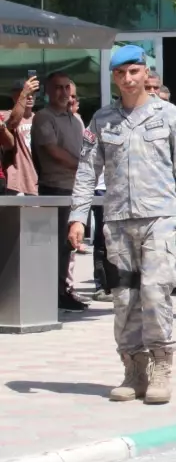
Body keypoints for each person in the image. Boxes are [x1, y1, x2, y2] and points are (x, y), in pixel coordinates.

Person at [68, 45, 176, 404]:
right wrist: (78, 216)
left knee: (156, 292)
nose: (127, 79)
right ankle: (133, 368)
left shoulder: (168, 115)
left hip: (158, 217)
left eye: (133, 71)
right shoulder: (102, 120)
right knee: (124, 298)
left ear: (145, 73)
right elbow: (86, 171)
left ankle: (160, 365)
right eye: (120, 73)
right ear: (114, 77)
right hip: (117, 220)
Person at [31, 72, 86, 311]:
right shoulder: (44, 117)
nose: (64, 93)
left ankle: (63, 292)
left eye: (67, 88)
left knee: (70, 245)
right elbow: (53, 151)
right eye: (58, 88)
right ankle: (50, 294)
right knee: (54, 246)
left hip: (76, 189)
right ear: (47, 92)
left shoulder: (76, 120)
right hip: (54, 187)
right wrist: (84, 167)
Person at [2, 76, 39, 195]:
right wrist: (23, 95)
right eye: (24, 93)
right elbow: (12, 122)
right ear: (14, 97)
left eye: (32, 93)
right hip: (17, 184)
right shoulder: (6, 115)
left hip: (38, 183)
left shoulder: (41, 119)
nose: (29, 97)